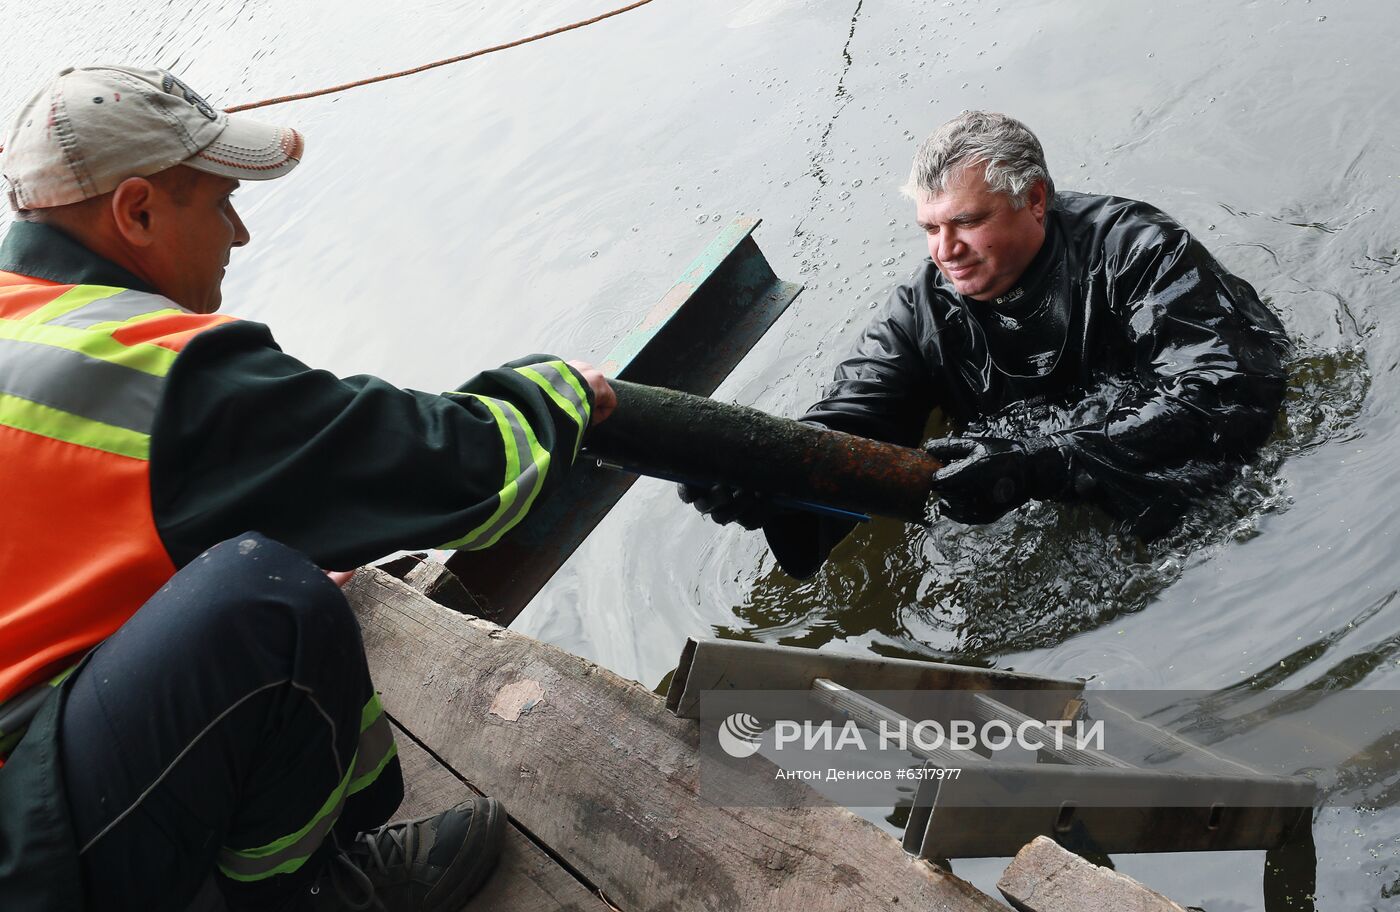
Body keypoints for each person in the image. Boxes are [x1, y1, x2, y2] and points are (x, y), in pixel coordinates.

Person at [0, 65, 616, 912]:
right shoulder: (150, 368)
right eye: (218, 203)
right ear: (136, 211)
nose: (240, 234)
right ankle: (303, 897)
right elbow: (469, 474)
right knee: (268, 605)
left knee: (239, 576)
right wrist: (559, 394)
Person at [682, 110, 1288, 578]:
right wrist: (767, 469)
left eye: (967, 222)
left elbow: (1222, 389)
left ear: (1036, 200)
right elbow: (853, 419)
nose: (945, 251)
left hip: (1174, 479)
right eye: (931, 228)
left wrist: (1042, 461)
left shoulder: (1137, 251)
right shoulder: (921, 311)